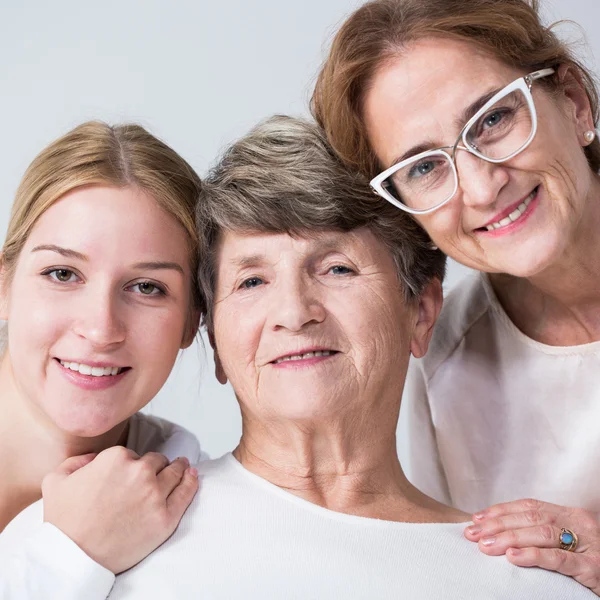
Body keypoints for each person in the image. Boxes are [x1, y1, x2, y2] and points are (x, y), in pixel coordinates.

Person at [106, 116, 594, 599]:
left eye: (337, 268)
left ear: (421, 313)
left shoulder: (535, 579)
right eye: (251, 281)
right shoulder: (110, 540)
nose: (294, 313)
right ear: (214, 338)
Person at [310, 0, 600, 593]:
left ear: (574, 102)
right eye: (423, 168)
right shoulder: (442, 365)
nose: (482, 185)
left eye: (493, 119)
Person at [0, 121, 204, 600]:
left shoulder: (187, 495)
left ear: (194, 321)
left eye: (148, 287)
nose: (100, 328)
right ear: (4, 287)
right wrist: (70, 553)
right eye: (62, 273)